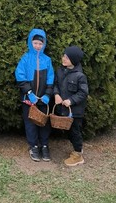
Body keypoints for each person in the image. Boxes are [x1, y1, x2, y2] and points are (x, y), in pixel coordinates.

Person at [15, 28, 54, 162]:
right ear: (30, 43)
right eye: (35, 43)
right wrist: (29, 93)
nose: (38, 46)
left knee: (44, 123)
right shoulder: (25, 59)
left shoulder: (47, 60)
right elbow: (20, 76)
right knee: (30, 123)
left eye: (40, 43)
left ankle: (44, 145)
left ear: (44, 44)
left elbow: (50, 78)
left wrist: (47, 94)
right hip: (29, 99)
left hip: (43, 99)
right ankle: (33, 146)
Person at [53, 45, 89, 166]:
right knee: (69, 132)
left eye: (67, 58)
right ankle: (77, 149)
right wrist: (56, 94)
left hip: (75, 112)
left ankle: (78, 155)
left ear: (73, 60)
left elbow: (83, 93)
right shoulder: (60, 71)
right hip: (64, 110)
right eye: (63, 56)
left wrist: (71, 100)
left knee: (75, 132)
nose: (63, 59)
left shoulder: (80, 76)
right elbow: (55, 84)